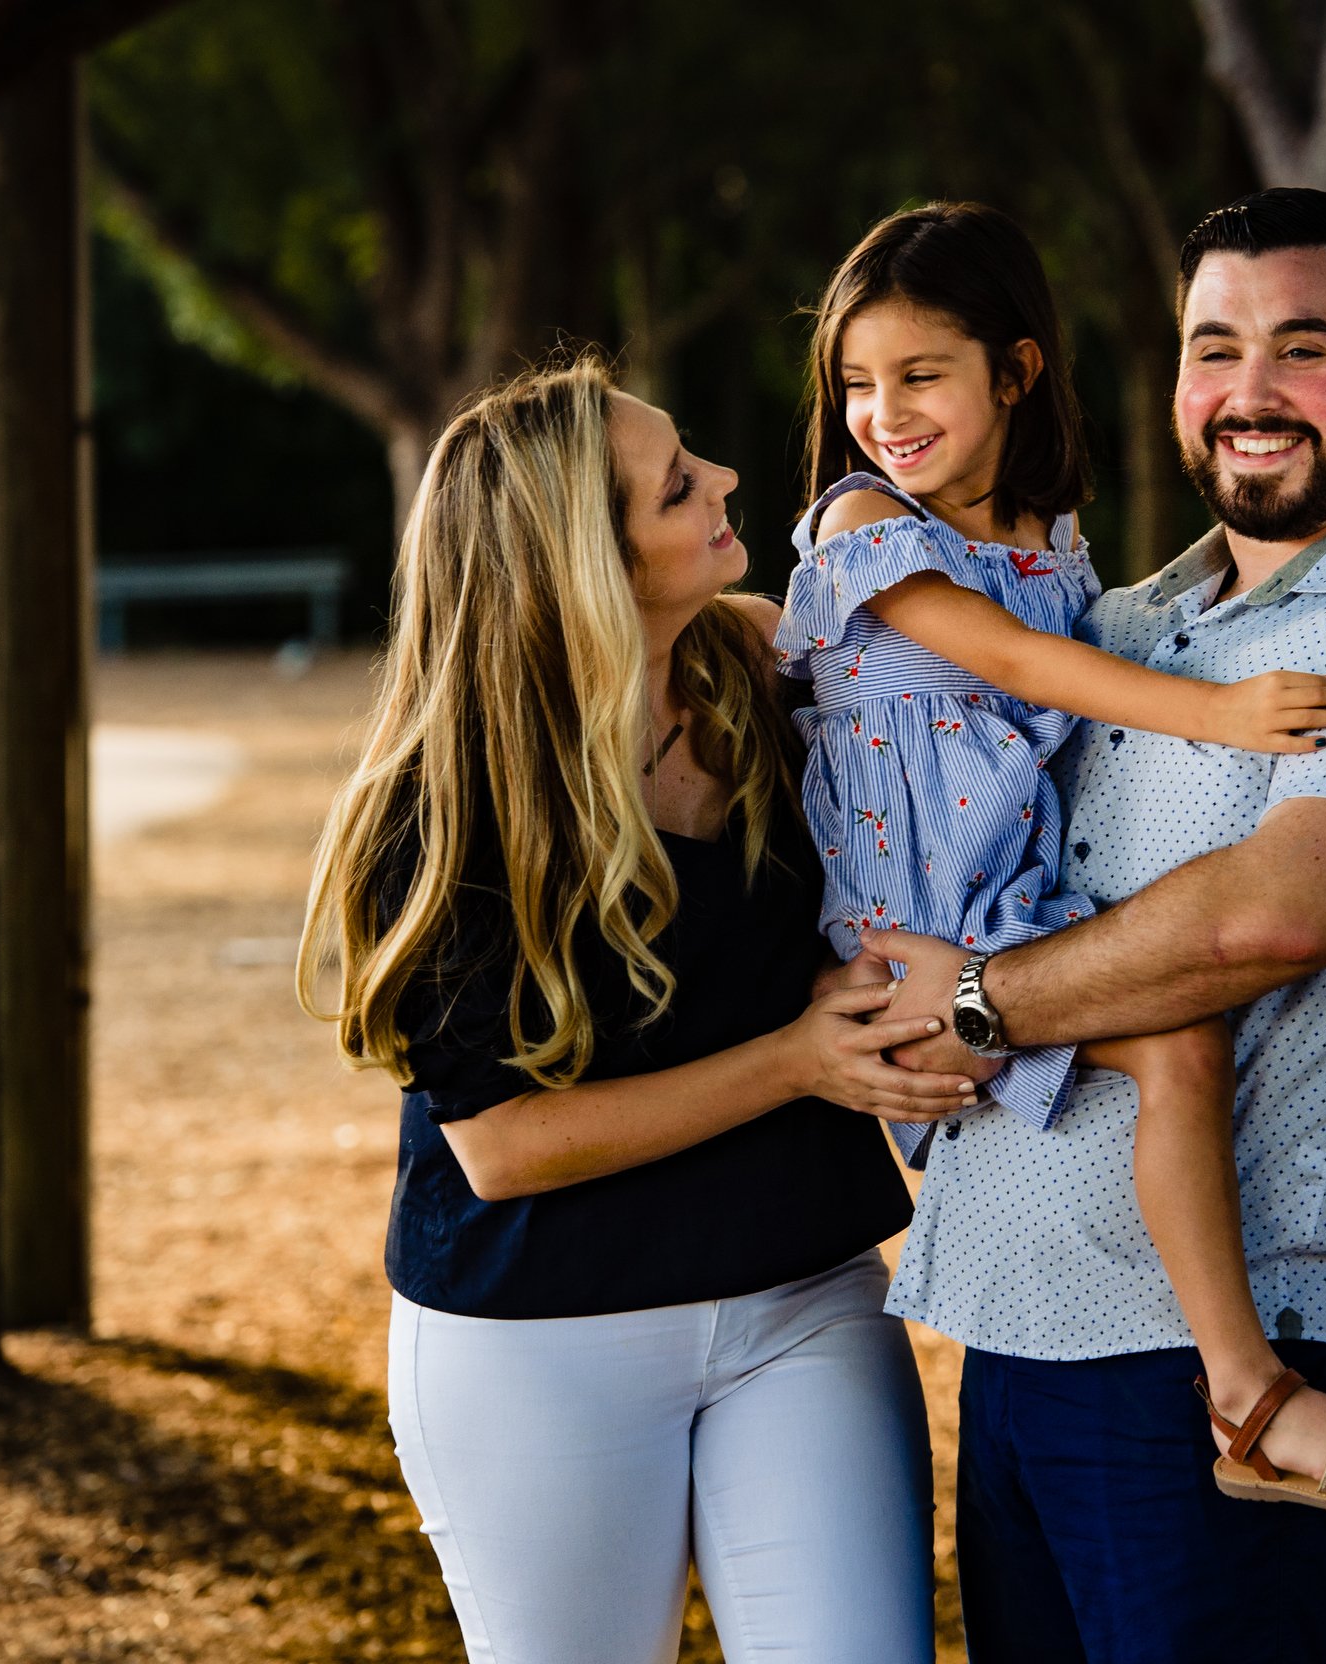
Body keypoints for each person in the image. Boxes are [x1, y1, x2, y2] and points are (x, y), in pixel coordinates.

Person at [863, 189, 1326, 1661]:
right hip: (1017, 1325)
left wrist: (972, 1001)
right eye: (1213, 348)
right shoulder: (1118, 629)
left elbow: (1261, 921)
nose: (1249, 394)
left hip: (1238, 1356)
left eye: (1301, 348)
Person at [776, 201, 1326, 1512]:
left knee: (1182, 1040)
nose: (882, 412)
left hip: (1003, 901)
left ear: (1016, 371)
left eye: (920, 375)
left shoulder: (1047, 537)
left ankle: (1241, 1394)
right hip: (916, 917)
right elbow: (1017, 666)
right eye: (856, 383)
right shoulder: (866, 519)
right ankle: (1250, 1395)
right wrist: (1222, 712)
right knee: (1177, 1038)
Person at [296, 356, 967, 1664]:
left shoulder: (769, 665)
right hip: (540, 1340)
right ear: (590, 566)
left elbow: (970, 752)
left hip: (802, 1300)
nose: (722, 481)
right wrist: (794, 1063)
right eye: (676, 488)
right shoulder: (441, 808)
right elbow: (501, 1146)